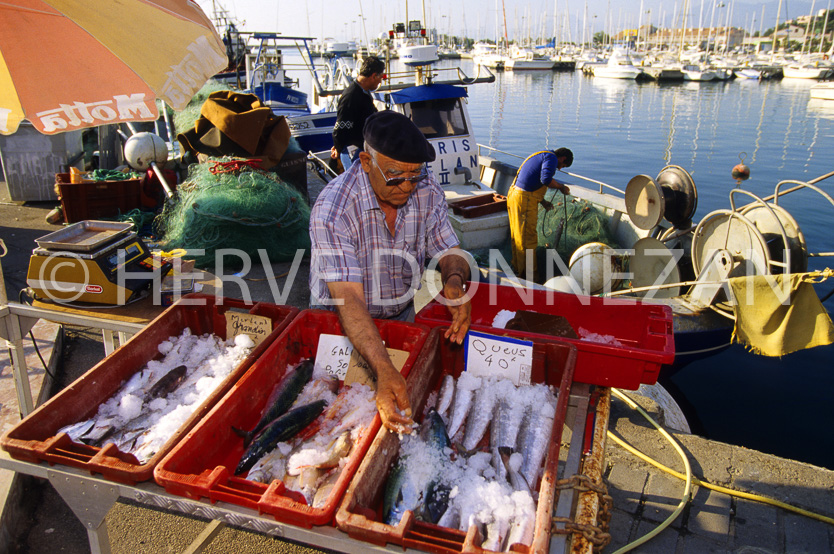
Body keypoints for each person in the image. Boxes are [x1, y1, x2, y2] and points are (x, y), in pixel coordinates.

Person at [311, 110, 472, 434]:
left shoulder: (426, 190)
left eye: (415, 175)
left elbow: (449, 251)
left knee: (399, 401)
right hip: (340, 321)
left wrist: (455, 280)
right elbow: (348, 299)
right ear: (366, 162)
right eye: (396, 176)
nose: (407, 186)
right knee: (330, 408)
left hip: (400, 312)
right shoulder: (333, 210)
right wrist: (383, 367)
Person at [507, 147, 573, 283]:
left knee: (517, 236)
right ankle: (530, 278)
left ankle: (517, 268)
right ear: (563, 158)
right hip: (523, 199)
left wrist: (542, 201)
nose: (560, 168)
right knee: (527, 239)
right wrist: (561, 187)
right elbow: (546, 179)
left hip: (514, 195)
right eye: (563, 166)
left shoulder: (542, 154)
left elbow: (531, 181)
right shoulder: (552, 158)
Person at [330, 56, 386, 172]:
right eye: (381, 77)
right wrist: (338, 148)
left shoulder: (363, 93)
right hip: (353, 151)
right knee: (356, 182)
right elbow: (340, 128)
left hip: (362, 147)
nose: (381, 81)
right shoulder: (351, 96)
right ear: (373, 76)